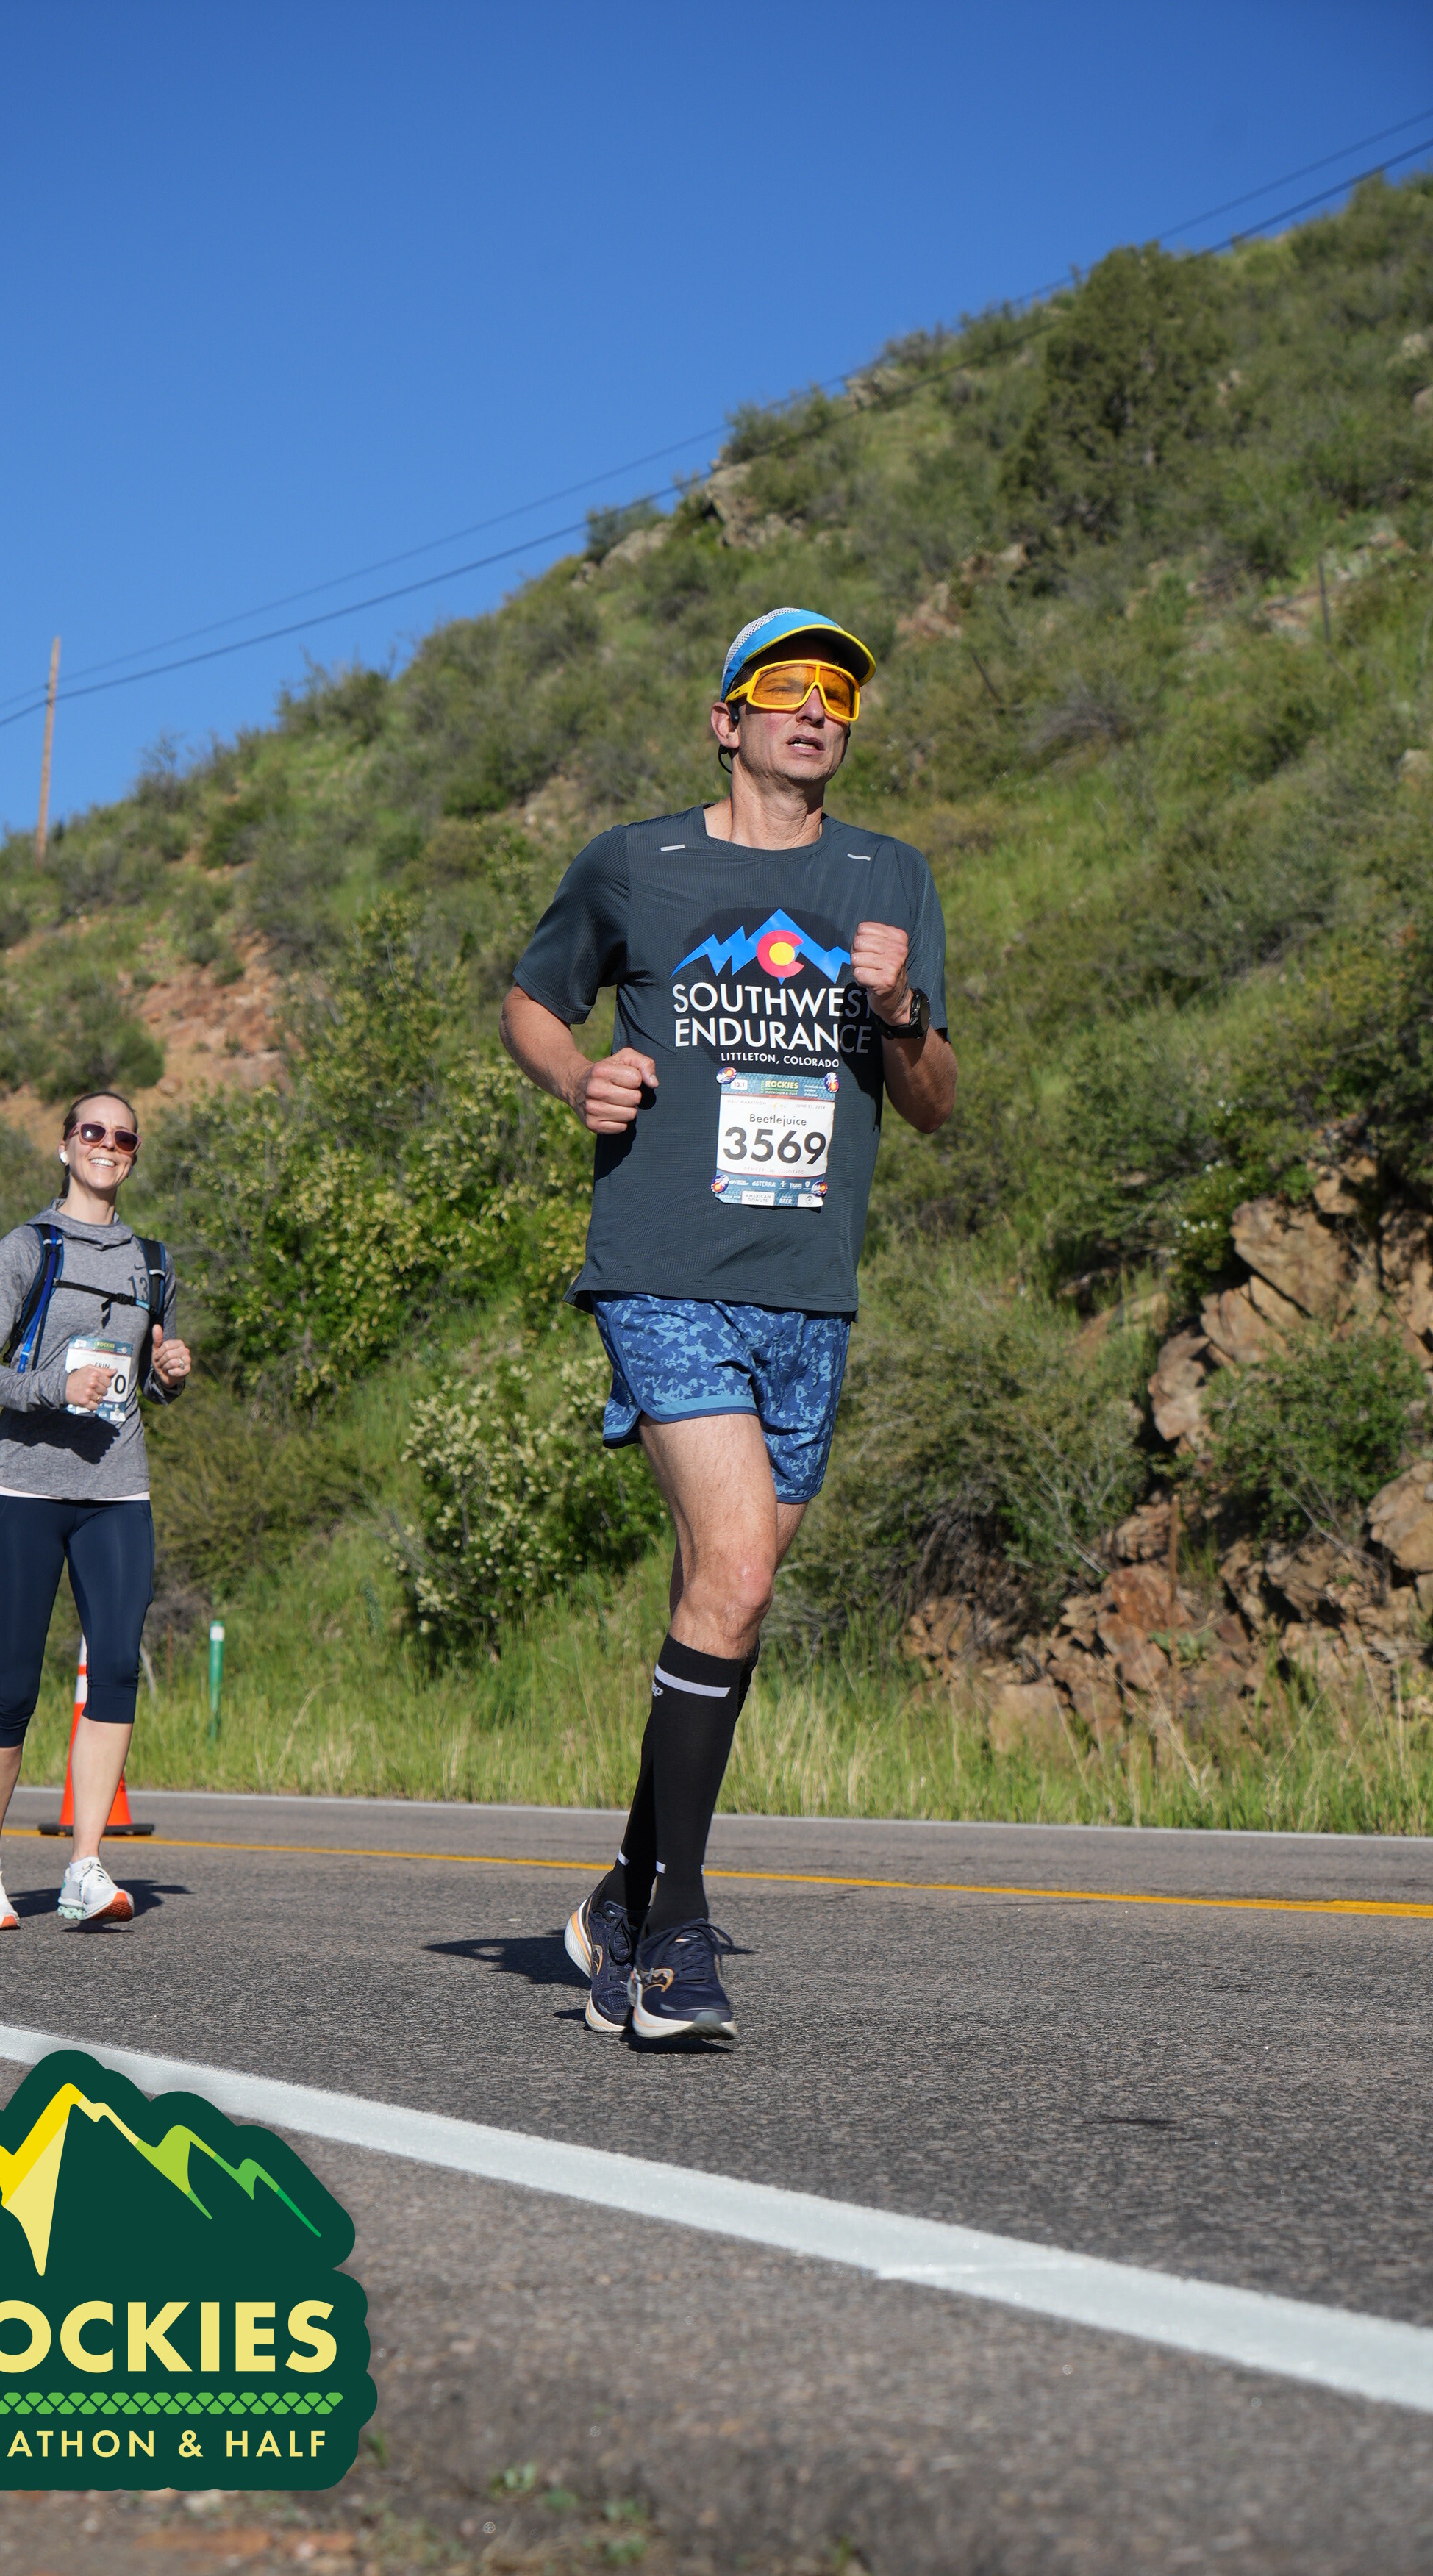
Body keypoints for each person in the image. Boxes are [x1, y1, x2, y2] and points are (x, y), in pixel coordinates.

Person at [501, 607, 956, 2041]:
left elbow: (935, 1102)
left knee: (728, 1599)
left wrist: (898, 1004)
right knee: (741, 1568)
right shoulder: (636, 861)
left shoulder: (888, 876)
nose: (815, 710)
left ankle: (621, 1896)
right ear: (726, 717)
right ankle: (673, 1943)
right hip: (663, 1268)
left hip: (808, 1290)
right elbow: (532, 1001)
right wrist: (577, 1078)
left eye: (838, 694)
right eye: (784, 687)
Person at [0, 1091, 192, 1932]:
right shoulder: (27, 1248)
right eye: (93, 1131)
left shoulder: (152, 1262)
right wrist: (54, 1386)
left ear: (133, 1154)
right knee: (12, 1688)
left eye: (124, 1137)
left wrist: (169, 1374)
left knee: (115, 1668)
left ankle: (84, 1866)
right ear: (65, 1146)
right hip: (22, 1491)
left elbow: (144, 1379)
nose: (108, 1145)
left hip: (117, 1492)